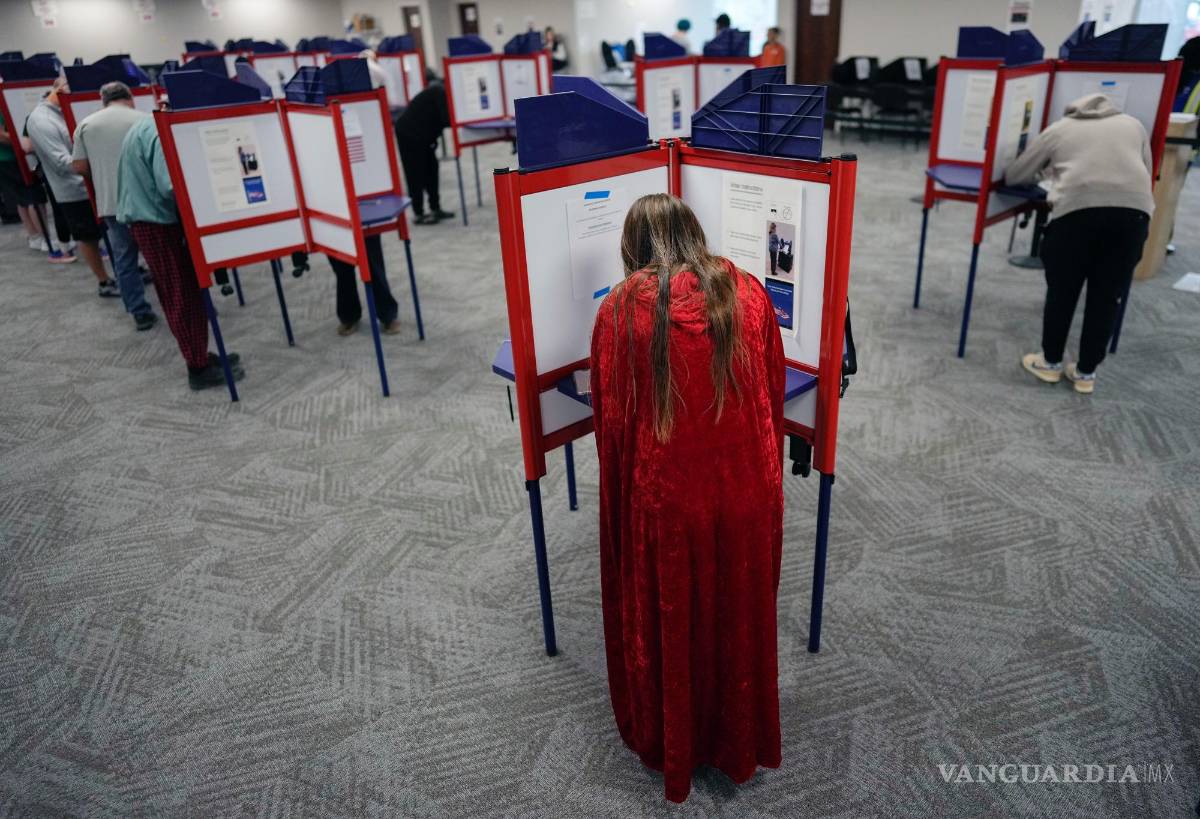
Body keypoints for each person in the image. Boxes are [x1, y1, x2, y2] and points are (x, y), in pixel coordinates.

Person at [589, 194, 785, 803]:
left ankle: (675, 744)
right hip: (747, 490)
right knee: (736, 612)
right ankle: (737, 738)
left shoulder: (621, 309)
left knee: (672, 624)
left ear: (631, 249)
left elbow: (612, 421)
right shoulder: (750, 291)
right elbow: (772, 395)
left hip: (668, 500)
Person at [1007, 92, 1153, 395]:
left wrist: (1047, 172)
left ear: (1072, 110)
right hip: (1133, 217)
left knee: (1063, 291)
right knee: (1107, 294)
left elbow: (1016, 175)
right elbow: (1146, 172)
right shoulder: (1133, 125)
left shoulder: (1061, 129)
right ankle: (1086, 373)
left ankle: (1050, 364)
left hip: (1076, 216)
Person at [116, 113, 245, 391]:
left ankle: (199, 353)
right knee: (180, 294)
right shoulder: (160, 132)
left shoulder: (148, 124)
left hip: (151, 219)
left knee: (184, 290)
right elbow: (170, 185)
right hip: (157, 222)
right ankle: (197, 368)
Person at [71, 81, 157, 331]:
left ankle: (139, 312)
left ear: (103, 100)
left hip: (111, 202)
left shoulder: (87, 124)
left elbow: (78, 167)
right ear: (129, 97)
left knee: (124, 259)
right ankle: (173, 303)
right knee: (158, 256)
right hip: (147, 202)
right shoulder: (146, 119)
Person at [25, 76, 118, 295]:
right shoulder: (41, 120)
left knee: (112, 232)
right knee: (88, 237)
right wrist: (101, 166)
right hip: (74, 190)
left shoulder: (72, 109)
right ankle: (104, 282)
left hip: (97, 184)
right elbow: (61, 161)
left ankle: (124, 273)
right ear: (59, 89)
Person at [0, 107, 66, 260]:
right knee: (34, 198)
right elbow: (2, 136)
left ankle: (35, 237)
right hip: (12, 158)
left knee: (22, 198)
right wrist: (25, 140)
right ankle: (45, 238)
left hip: (7, 159)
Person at [393, 76, 454, 224]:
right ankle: (418, 213)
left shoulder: (441, 92)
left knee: (432, 168)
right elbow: (446, 119)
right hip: (408, 133)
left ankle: (435, 208)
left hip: (424, 135)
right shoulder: (440, 92)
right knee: (415, 173)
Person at [325, 235, 402, 336]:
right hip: (333, 227)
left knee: (373, 264)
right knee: (342, 269)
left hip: (365, 224)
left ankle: (387, 314)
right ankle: (349, 316)